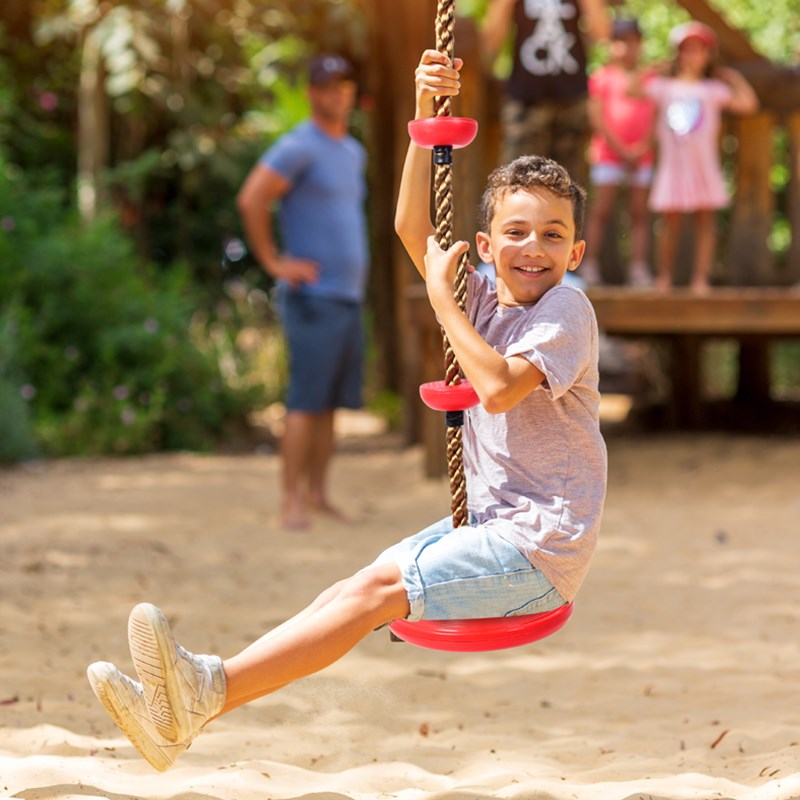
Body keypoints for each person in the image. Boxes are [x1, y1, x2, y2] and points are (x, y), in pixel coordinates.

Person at [85, 49, 607, 773]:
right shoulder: (484, 291)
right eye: (516, 232)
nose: (534, 247)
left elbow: (497, 387)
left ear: (576, 249)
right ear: (486, 245)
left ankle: (203, 688)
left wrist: (441, 302)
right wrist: (427, 117)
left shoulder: (566, 310)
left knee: (375, 595)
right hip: (495, 528)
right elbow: (408, 226)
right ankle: (190, 706)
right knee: (352, 588)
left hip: (540, 550)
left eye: (553, 234)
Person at [236, 53, 369, 529]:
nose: (338, 92)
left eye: (345, 84)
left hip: (347, 297)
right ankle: (290, 501)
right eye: (328, 85)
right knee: (305, 402)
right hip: (312, 298)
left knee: (330, 405)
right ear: (313, 92)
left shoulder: (353, 152)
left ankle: (317, 495)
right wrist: (274, 261)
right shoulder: (298, 147)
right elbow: (252, 197)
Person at [644, 22, 759, 293]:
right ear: (678, 54)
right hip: (673, 167)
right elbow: (633, 89)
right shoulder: (663, 86)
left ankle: (701, 279)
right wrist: (654, 67)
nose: (693, 56)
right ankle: (664, 278)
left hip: (703, 167)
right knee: (670, 223)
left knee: (706, 221)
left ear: (709, 55)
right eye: (687, 50)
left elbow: (749, 104)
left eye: (699, 50)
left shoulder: (713, 90)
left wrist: (733, 79)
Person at [481, 0, 611, 183]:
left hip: (571, 99)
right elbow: (490, 43)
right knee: (515, 183)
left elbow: (603, 35)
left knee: (568, 187)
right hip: (525, 101)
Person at [580, 18, 656, 288]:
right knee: (601, 210)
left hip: (642, 155)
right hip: (608, 154)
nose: (627, 48)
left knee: (639, 212)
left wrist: (643, 146)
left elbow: (656, 116)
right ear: (611, 45)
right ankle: (588, 266)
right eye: (621, 42)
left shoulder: (650, 78)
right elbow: (597, 117)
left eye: (633, 42)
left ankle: (638, 268)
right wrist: (621, 149)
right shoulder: (601, 78)